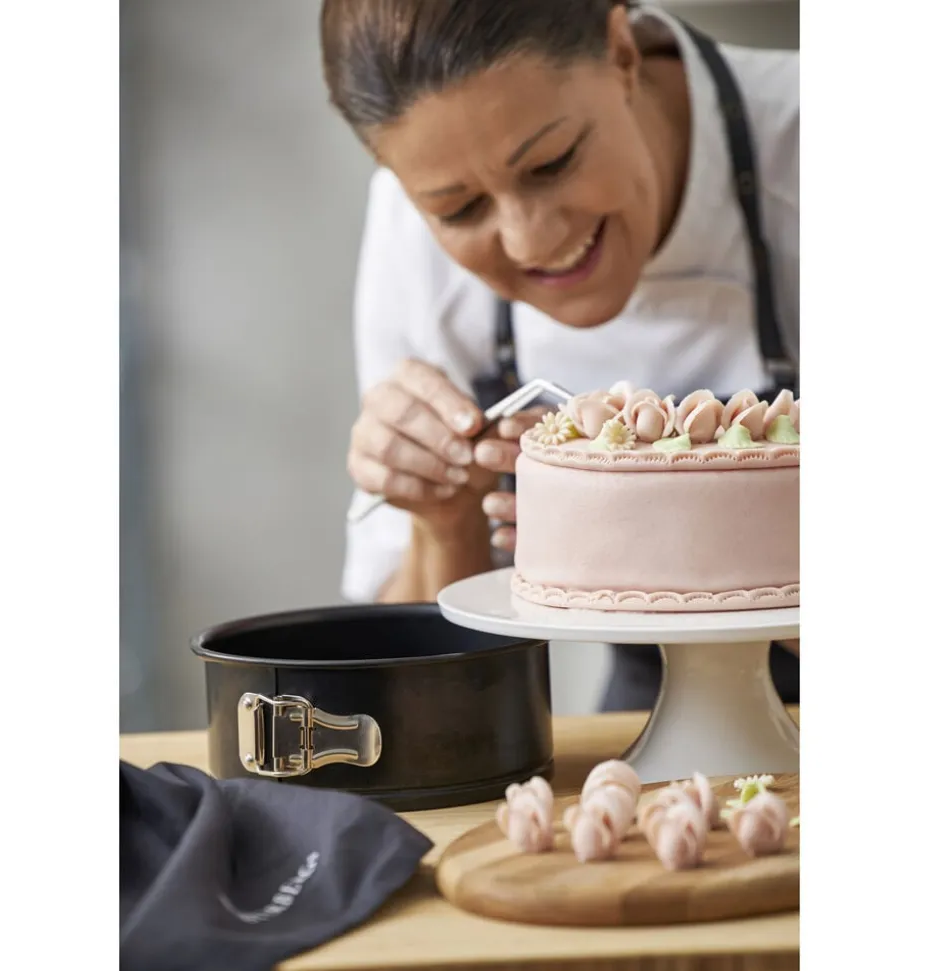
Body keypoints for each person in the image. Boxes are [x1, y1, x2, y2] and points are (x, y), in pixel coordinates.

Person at [320, 0, 799, 710]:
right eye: (460, 210)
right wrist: (443, 521)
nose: (531, 241)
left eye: (551, 162)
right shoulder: (409, 233)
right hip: (628, 733)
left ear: (622, 55)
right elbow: (423, 704)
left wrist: (698, 531)